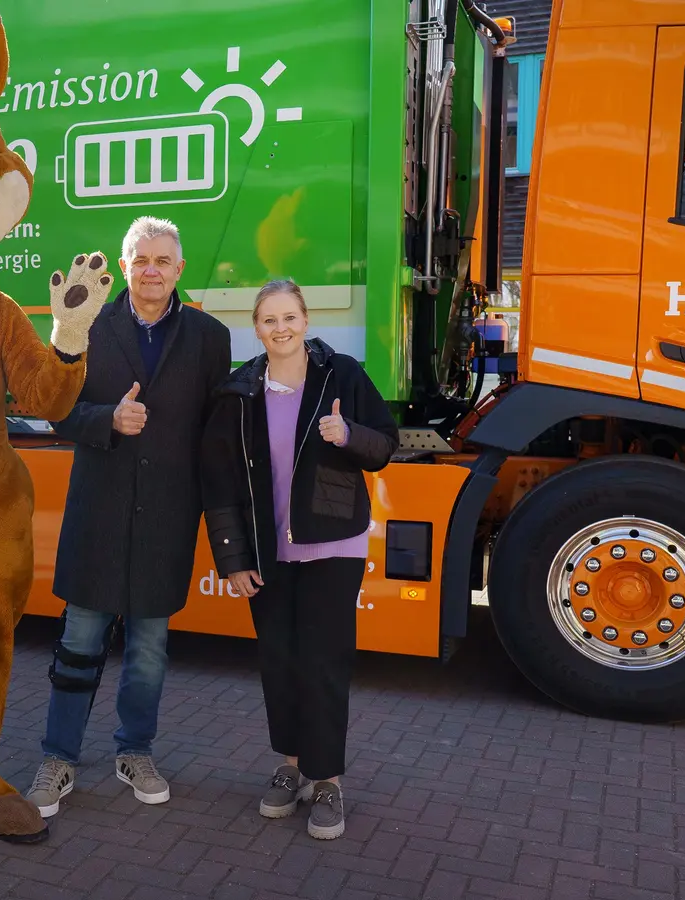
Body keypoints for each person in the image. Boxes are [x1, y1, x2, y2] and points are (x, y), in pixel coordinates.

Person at [25, 216, 232, 816]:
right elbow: (54, 410)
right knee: (78, 643)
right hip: (99, 517)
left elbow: (218, 433)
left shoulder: (210, 337)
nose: (152, 270)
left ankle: (135, 750)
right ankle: (59, 757)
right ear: (124, 266)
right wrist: (105, 421)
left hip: (167, 518)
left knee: (148, 651)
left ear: (179, 270)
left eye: (163, 261)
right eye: (141, 259)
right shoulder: (87, 326)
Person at [199, 278, 398, 840]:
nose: (280, 329)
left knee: (324, 662)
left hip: (333, 546)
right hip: (268, 552)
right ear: (256, 328)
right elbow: (218, 482)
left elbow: (385, 444)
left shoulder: (343, 375)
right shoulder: (239, 392)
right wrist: (234, 557)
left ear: (306, 321)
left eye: (289, 318)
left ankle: (328, 780)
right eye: (268, 320)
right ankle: (290, 768)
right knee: (280, 660)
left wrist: (348, 433)